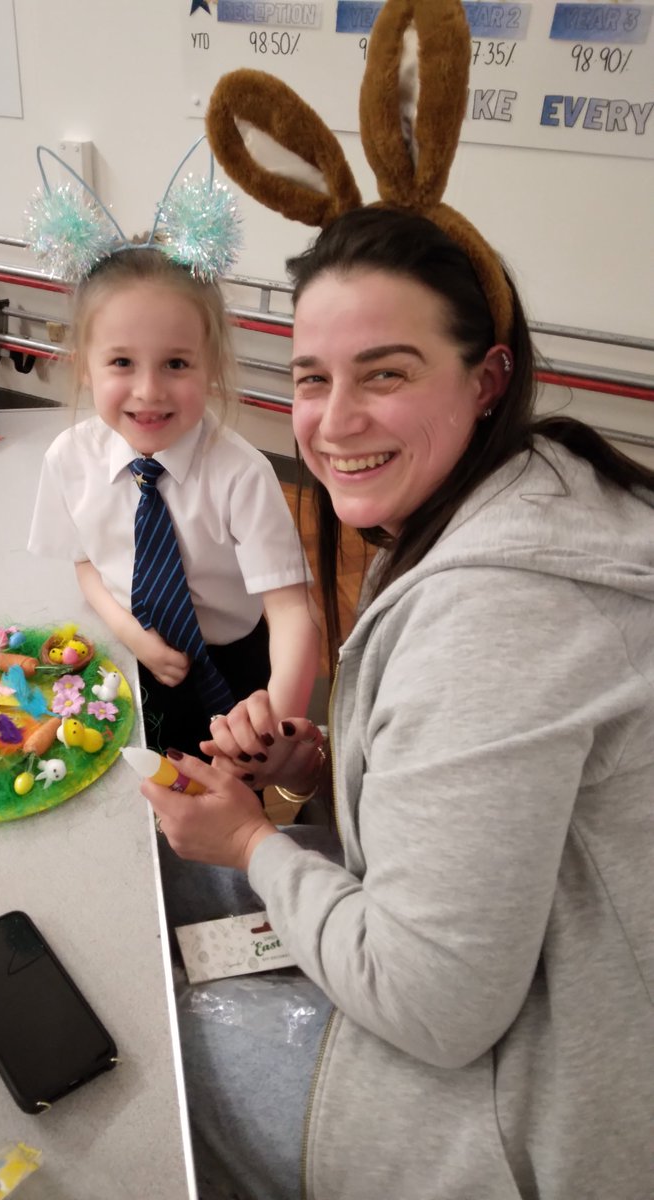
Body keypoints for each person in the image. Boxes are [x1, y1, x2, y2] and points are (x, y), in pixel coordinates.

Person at [141, 206, 654, 1200]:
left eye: (386, 373)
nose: (334, 423)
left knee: (158, 1040)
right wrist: (319, 774)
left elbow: (436, 1007)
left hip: (551, 1100)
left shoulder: (497, 616)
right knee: (181, 883)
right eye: (312, 378)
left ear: (486, 381)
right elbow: (493, 798)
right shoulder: (516, 487)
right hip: (541, 967)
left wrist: (252, 844)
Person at [28, 246, 319, 755]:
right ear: (85, 369)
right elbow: (86, 566)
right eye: (121, 361)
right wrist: (133, 636)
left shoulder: (243, 475)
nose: (148, 390)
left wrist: (274, 726)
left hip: (229, 667)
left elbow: (292, 611)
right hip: (123, 653)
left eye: (176, 363)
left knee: (223, 794)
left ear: (210, 366)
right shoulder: (69, 459)